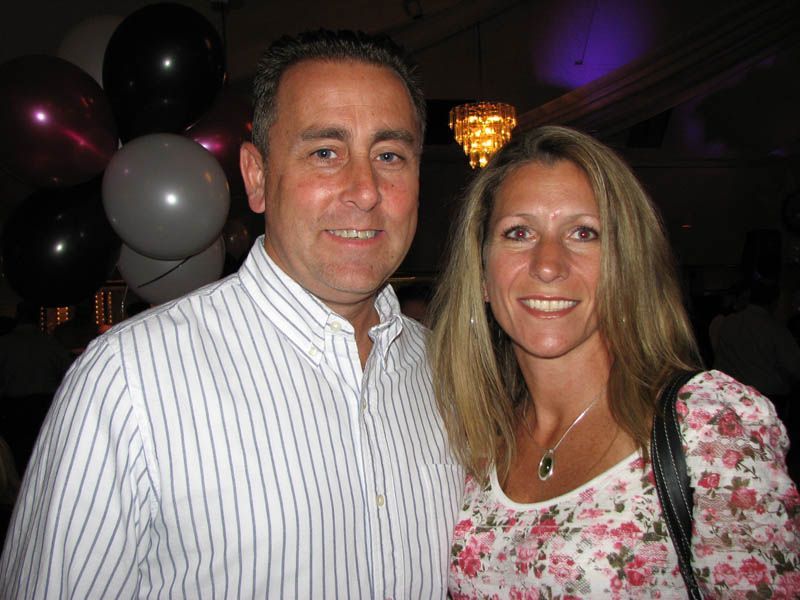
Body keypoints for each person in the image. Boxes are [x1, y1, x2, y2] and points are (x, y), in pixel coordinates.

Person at [0, 30, 463, 598]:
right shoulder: (129, 380)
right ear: (257, 176)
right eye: (325, 152)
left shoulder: (447, 375)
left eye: (390, 155)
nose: (364, 190)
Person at [428, 126, 800, 597]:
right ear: (483, 274)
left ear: (626, 265)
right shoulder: (476, 436)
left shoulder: (708, 424)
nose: (547, 264)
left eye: (583, 233)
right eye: (518, 232)